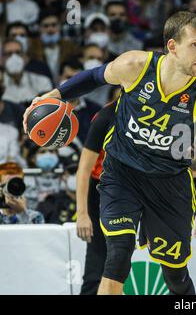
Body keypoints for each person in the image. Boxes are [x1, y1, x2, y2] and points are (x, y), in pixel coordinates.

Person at [23, 11, 196, 296]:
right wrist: (55, 95)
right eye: (194, 45)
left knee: (175, 275)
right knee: (117, 256)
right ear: (172, 46)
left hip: (169, 182)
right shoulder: (135, 65)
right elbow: (93, 76)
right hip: (122, 173)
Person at [76, 101, 116, 295]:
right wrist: (82, 214)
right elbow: (83, 170)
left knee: (118, 264)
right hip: (101, 191)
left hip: (135, 189)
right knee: (97, 263)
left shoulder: (157, 113)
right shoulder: (105, 117)